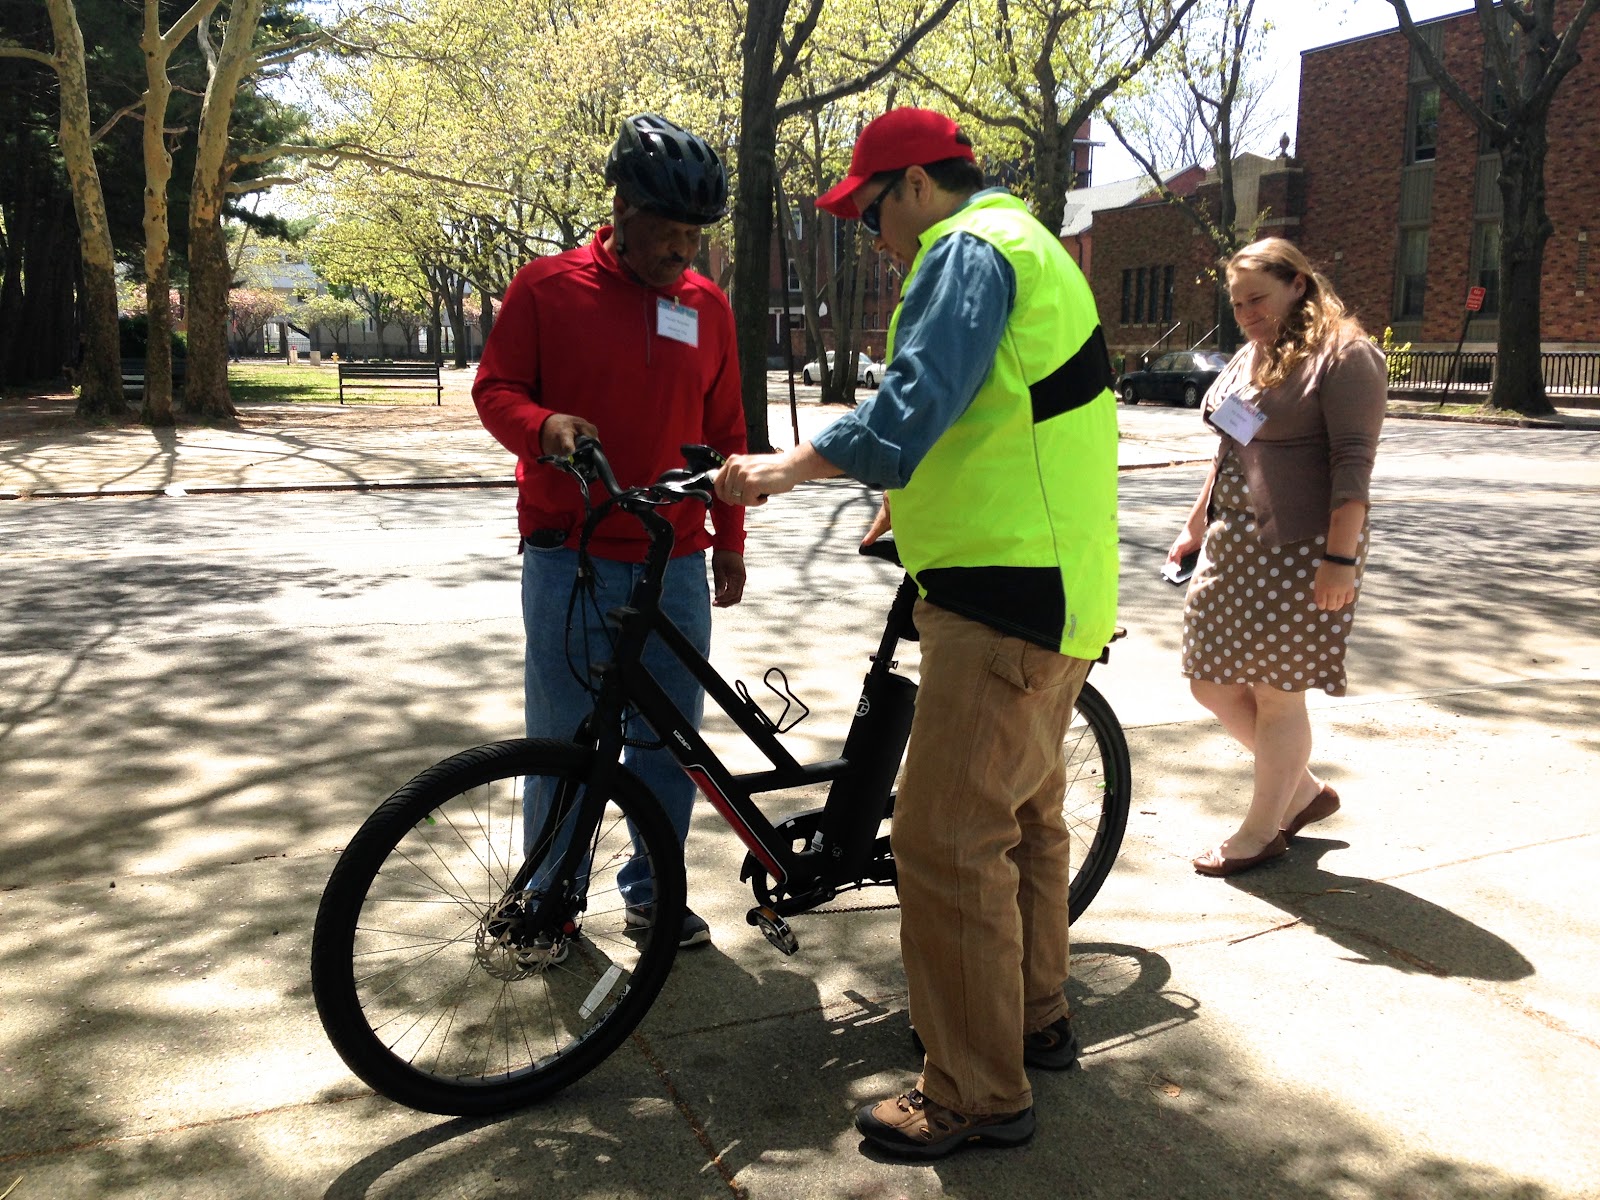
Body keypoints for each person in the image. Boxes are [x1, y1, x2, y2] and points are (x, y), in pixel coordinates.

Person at [712, 107, 1119, 1158]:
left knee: (945, 844)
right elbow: (1005, 411)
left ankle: (977, 1092)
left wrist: (780, 468)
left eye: (868, 213)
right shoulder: (1032, 246)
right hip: (1061, 592)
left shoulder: (966, 248)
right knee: (1025, 821)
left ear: (915, 186)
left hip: (1000, 602)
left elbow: (910, 406)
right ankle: (1034, 1017)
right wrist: (911, 498)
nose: (873, 238)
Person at [472, 113, 747, 948]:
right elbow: (495, 389)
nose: (682, 249)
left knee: (667, 746)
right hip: (571, 557)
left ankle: (654, 891)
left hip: (676, 561)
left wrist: (731, 540)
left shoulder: (706, 307)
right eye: (667, 229)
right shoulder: (546, 289)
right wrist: (543, 426)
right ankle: (549, 899)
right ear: (622, 208)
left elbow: (726, 433)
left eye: (695, 234)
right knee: (564, 744)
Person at [1167, 237, 1386, 878]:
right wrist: (1196, 522)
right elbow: (1229, 447)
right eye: (1237, 304)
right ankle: (1304, 791)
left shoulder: (1345, 356)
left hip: (1304, 548)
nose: (1246, 314)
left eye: (1257, 299)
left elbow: (1352, 466)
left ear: (1297, 284)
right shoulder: (1251, 354)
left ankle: (1262, 831)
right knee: (1209, 681)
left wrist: (1339, 559)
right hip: (1233, 540)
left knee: (1277, 693)